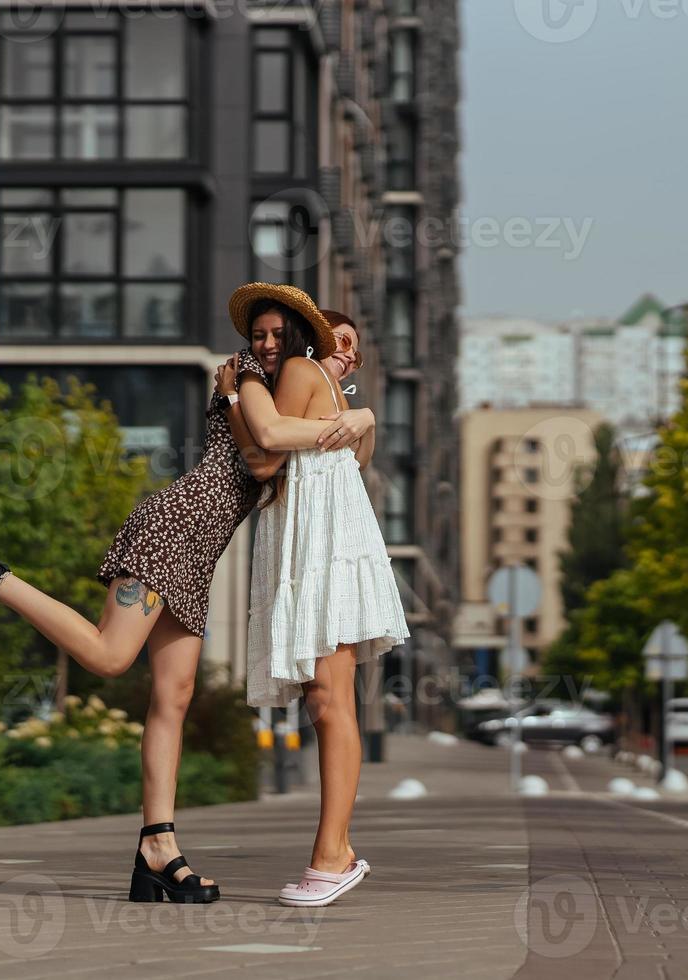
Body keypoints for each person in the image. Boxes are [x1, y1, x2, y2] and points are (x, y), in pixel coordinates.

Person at [0, 283, 375, 904]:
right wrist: (297, 407)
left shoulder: (285, 385)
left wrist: (357, 416)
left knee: (172, 699)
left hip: (199, 552)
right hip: (174, 529)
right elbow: (262, 461)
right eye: (258, 333)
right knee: (106, 656)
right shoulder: (251, 383)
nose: (264, 342)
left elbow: (345, 458)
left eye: (275, 334)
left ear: (297, 336)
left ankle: (158, 849)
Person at [217, 295, 408, 907]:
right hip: (315, 544)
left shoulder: (300, 376)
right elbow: (274, 452)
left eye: (355, 344)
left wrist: (236, 395)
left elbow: (266, 452)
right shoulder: (305, 379)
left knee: (330, 705)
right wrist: (358, 419)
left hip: (327, 548)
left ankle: (332, 857)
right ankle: (337, 852)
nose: (268, 343)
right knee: (329, 703)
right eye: (259, 335)